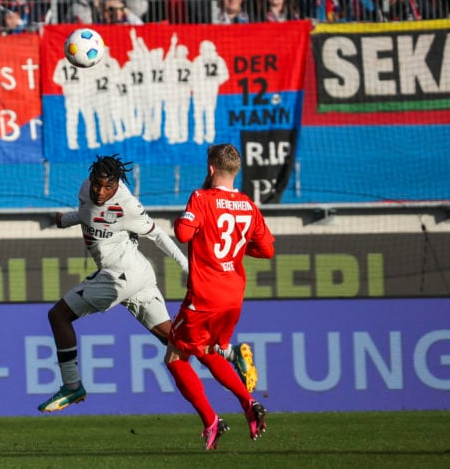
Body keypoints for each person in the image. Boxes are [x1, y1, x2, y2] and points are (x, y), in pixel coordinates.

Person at [37, 155, 256, 412]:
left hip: (120, 274)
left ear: (118, 184)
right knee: (175, 341)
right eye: (98, 184)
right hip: (138, 275)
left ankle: (72, 386)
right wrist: (65, 221)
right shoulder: (86, 188)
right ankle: (232, 353)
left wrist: (187, 267)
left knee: (58, 316)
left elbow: (158, 235)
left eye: (108, 187)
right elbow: (90, 214)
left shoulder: (128, 205)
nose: (100, 191)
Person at [165, 143, 275, 450]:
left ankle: (211, 420)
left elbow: (184, 234)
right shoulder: (249, 205)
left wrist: (185, 219)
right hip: (233, 296)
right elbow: (267, 250)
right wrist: (239, 250)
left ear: (210, 168)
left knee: (175, 357)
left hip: (205, 295)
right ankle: (249, 403)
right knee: (208, 350)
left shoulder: (201, 198)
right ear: (235, 171)